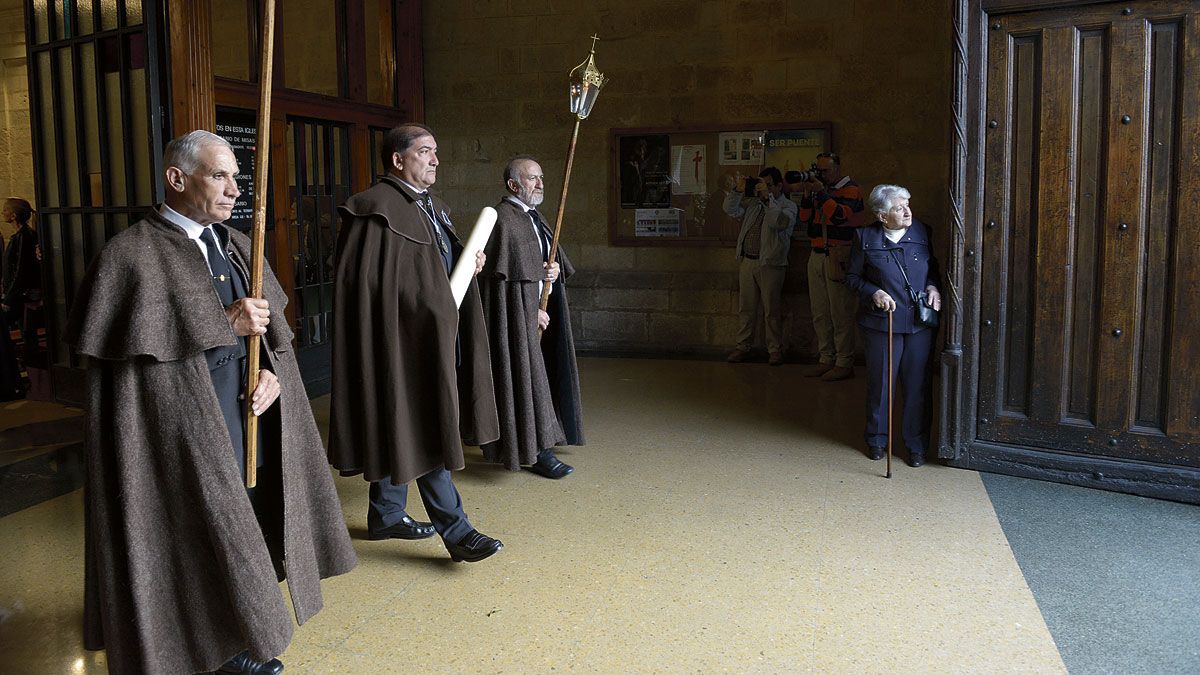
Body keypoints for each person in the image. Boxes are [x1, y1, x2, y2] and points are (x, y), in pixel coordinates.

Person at [63, 130, 356, 674]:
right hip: (180, 434)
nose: (232, 190)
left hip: (250, 423)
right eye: (219, 176)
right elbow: (126, 368)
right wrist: (224, 322)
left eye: (235, 179)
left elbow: (272, 333)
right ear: (177, 179)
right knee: (198, 537)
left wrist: (272, 373)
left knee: (252, 528)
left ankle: (245, 631)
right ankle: (220, 649)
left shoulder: (241, 243)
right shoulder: (131, 256)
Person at [328, 123, 504, 563]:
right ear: (397, 159)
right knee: (425, 424)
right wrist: (422, 301)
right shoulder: (375, 209)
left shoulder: (433, 207)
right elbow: (370, 282)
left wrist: (469, 263)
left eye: (436, 151)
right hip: (399, 338)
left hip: (434, 331)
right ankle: (457, 530)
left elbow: (434, 265)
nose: (435, 160)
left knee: (400, 420)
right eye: (425, 151)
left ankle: (386, 513)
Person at [477, 156, 585, 479]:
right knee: (526, 378)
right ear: (513, 185)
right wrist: (529, 315)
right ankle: (537, 450)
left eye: (541, 177)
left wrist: (551, 270)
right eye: (532, 179)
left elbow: (542, 261)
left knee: (543, 374)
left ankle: (549, 433)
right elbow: (503, 284)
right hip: (518, 315)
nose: (540, 184)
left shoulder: (533, 218)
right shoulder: (503, 220)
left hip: (539, 307)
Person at [845, 184, 942, 467]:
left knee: (918, 386)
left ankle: (916, 445)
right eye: (899, 208)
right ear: (881, 215)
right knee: (881, 384)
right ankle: (876, 439)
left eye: (908, 205)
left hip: (918, 325)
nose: (908, 211)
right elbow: (852, 278)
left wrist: (934, 287)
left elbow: (933, 270)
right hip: (882, 323)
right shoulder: (864, 237)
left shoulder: (923, 232)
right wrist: (872, 292)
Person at [796, 152, 866, 381]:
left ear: (837, 169)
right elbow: (805, 217)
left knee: (841, 312)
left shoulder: (851, 190)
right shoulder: (820, 191)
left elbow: (839, 216)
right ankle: (826, 358)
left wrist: (821, 194)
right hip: (816, 254)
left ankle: (844, 362)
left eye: (825, 170)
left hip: (838, 255)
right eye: (818, 169)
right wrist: (808, 194)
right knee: (820, 312)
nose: (821, 174)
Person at [723, 166, 798, 366]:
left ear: (779, 186)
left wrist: (767, 199)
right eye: (761, 184)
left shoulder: (787, 206)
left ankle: (775, 350)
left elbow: (779, 223)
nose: (763, 189)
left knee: (771, 310)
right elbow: (730, 209)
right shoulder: (753, 204)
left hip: (771, 264)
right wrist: (738, 190)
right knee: (746, 308)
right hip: (748, 260)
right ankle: (742, 346)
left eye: (768, 185)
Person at [2, 198, 41, 340]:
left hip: (22, 294)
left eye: (5, 209)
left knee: (27, 330)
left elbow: (21, 269)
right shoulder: (20, 236)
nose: (2, 212)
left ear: (13, 216)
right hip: (18, 293)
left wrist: (8, 298)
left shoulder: (24, 236)